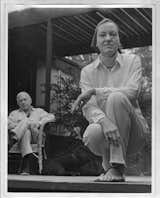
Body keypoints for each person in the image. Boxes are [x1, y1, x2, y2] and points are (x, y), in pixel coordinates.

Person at [72, 18, 149, 182]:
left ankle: (117, 167)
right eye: (103, 35)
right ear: (96, 42)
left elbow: (132, 92)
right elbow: (89, 107)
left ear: (118, 40)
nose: (108, 38)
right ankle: (111, 168)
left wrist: (95, 91)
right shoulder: (87, 71)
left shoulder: (133, 61)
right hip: (105, 135)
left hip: (135, 133)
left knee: (116, 97)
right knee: (92, 131)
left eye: (113, 34)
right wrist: (105, 122)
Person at [8, 91, 55, 175]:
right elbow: (8, 124)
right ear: (18, 103)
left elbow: (52, 117)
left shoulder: (39, 111)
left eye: (25, 99)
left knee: (27, 122)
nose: (23, 102)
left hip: (36, 137)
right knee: (26, 131)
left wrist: (39, 123)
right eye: (20, 100)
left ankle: (13, 139)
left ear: (30, 101)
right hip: (24, 138)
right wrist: (22, 125)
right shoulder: (14, 113)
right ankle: (26, 167)